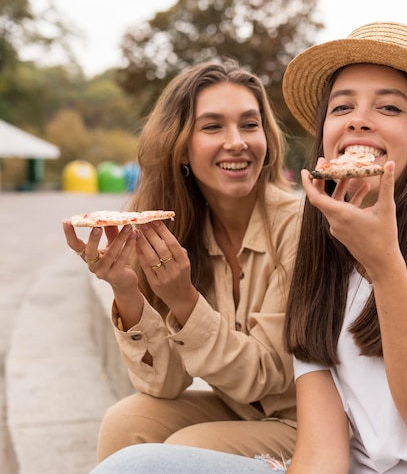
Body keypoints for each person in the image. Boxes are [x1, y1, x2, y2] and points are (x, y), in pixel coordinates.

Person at [89, 21, 407, 473]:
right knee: (134, 452)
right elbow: (324, 456)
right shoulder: (326, 252)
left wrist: (385, 266)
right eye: (341, 107)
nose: (359, 120)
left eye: (389, 108)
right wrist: (128, 290)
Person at [63, 59, 300, 465]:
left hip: (312, 423)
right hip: (243, 409)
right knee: (125, 421)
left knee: (177, 457)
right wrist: (127, 292)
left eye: (249, 124)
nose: (237, 141)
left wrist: (184, 300)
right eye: (212, 127)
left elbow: (267, 374)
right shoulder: (179, 228)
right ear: (181, 147)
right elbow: (165, 384)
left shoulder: (299, 227)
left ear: (267, 136)